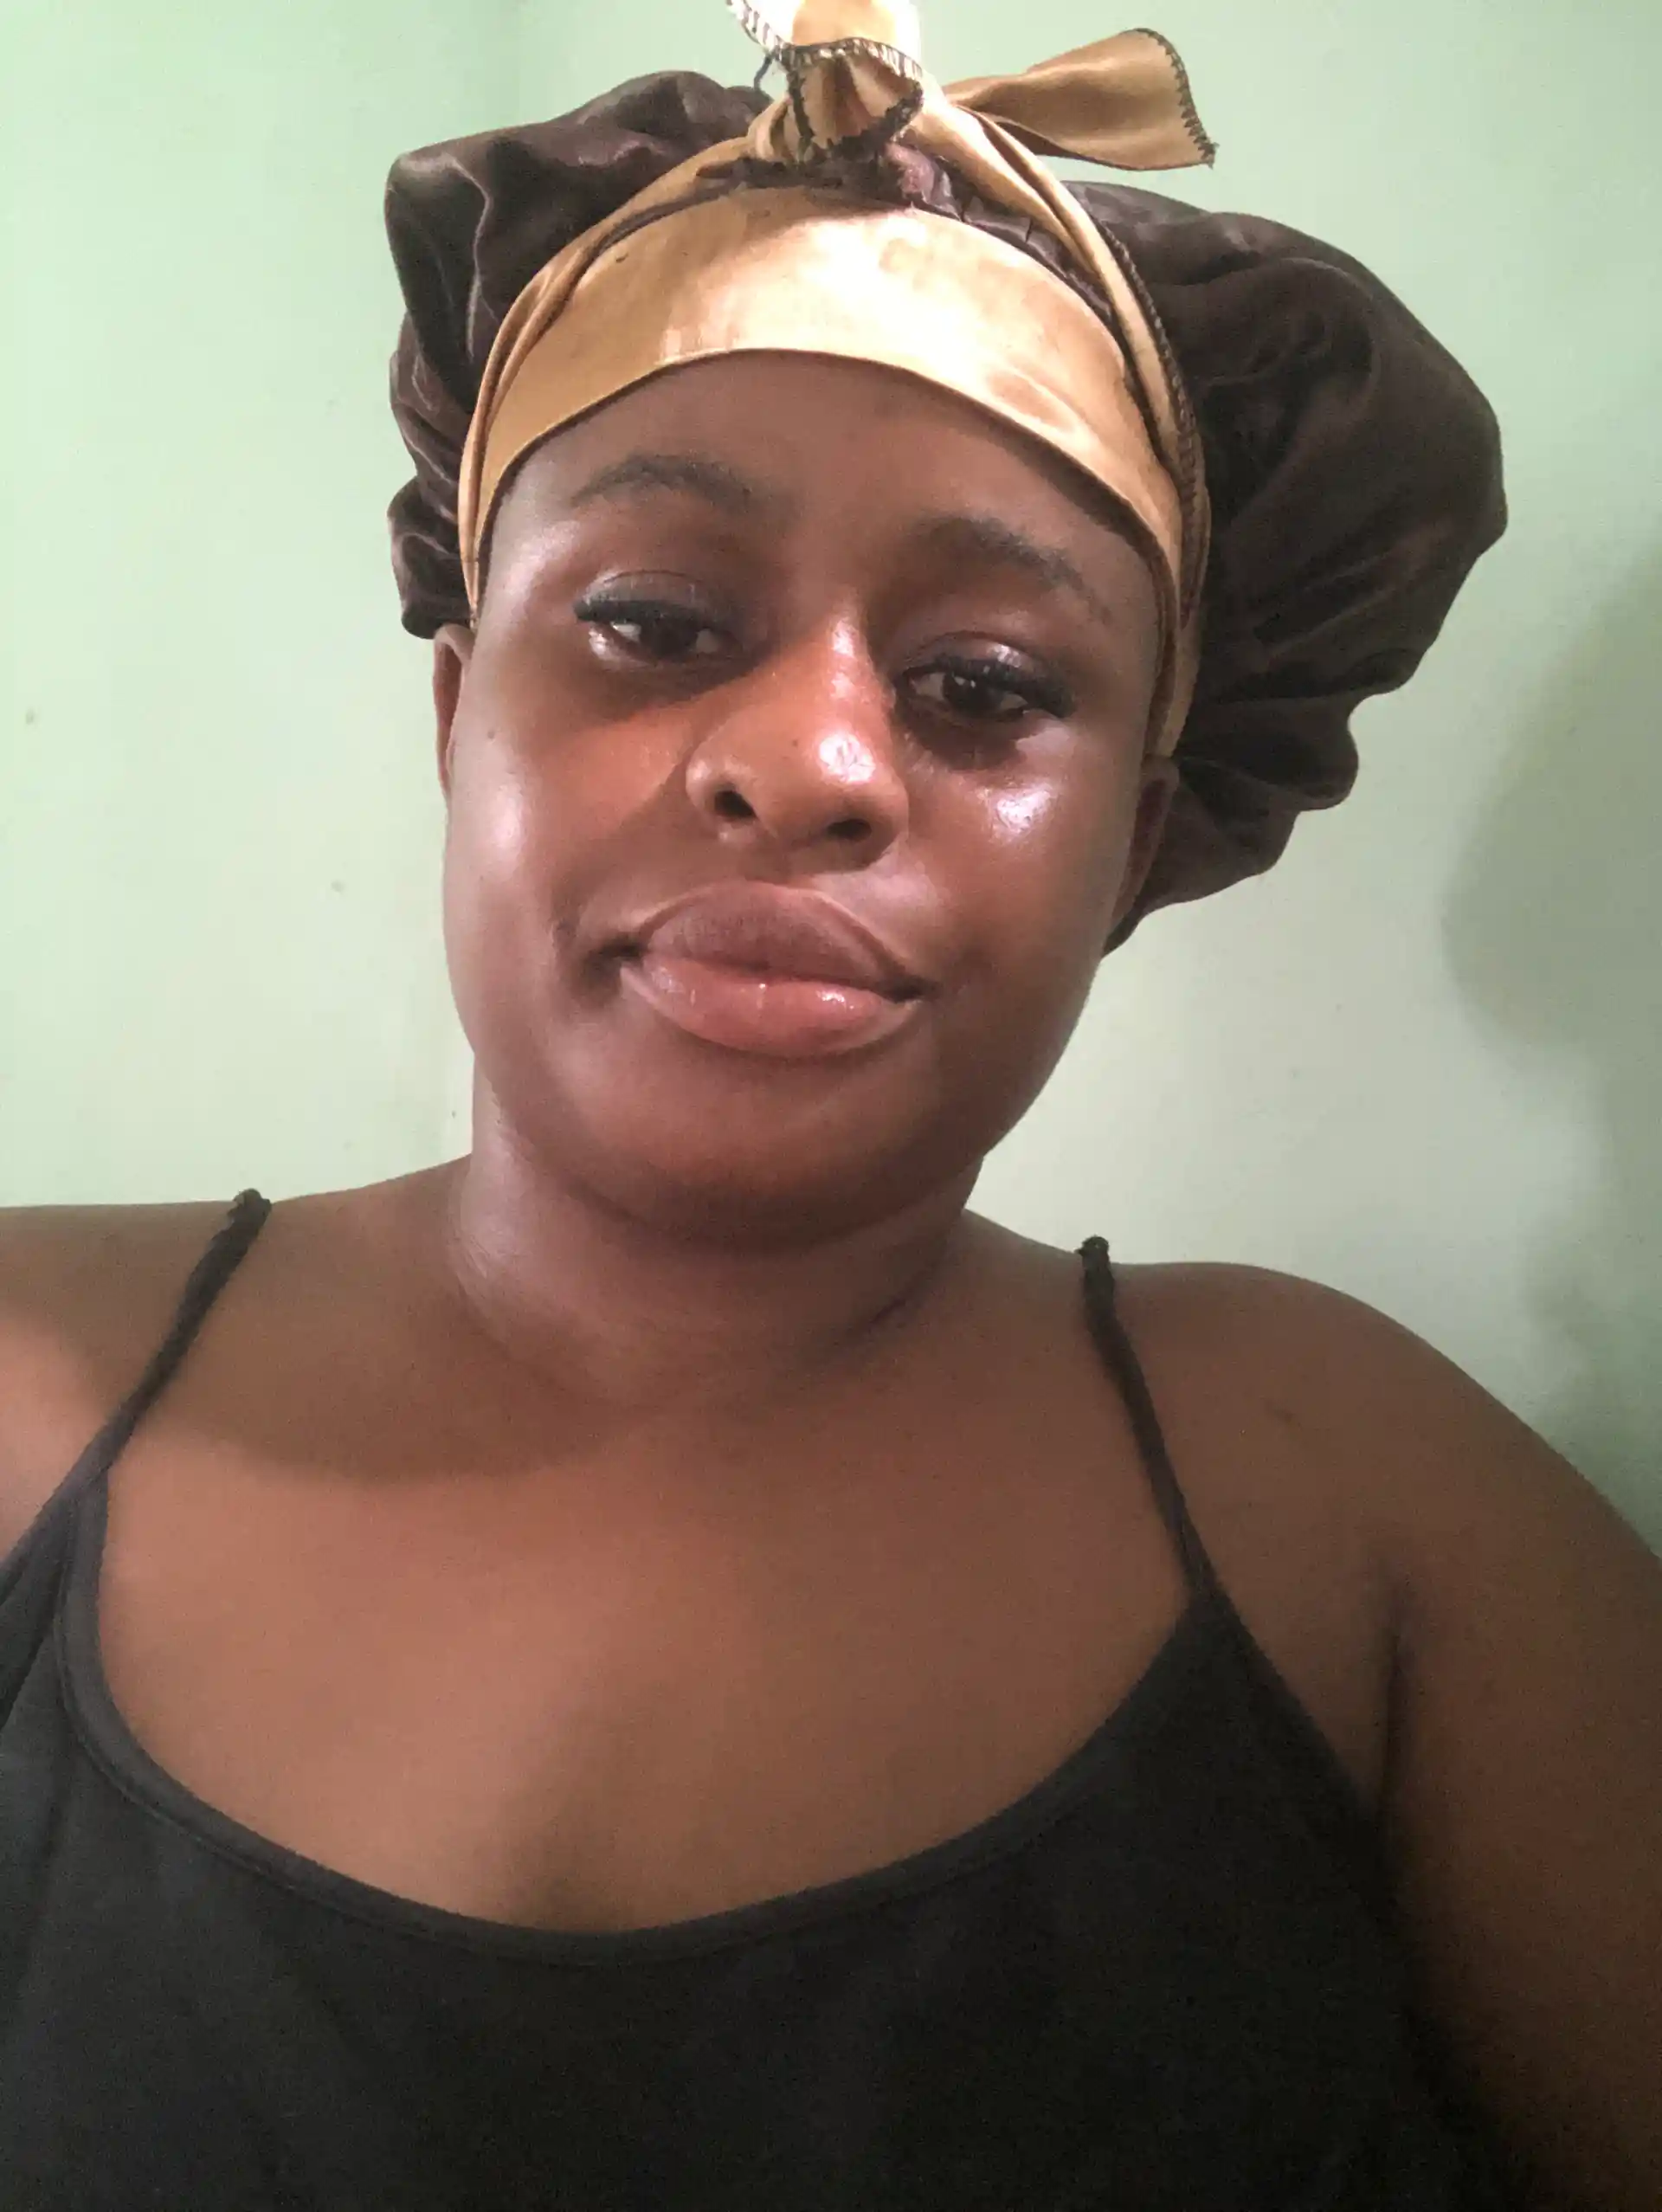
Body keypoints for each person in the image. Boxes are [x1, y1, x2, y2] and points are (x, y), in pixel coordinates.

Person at [2, 6, 1658, 2206]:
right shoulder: (19, 1382)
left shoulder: (1369, 1511)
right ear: (454, 712)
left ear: (1138, 841)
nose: (813, 763)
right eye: (656, 620)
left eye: (984, 683)